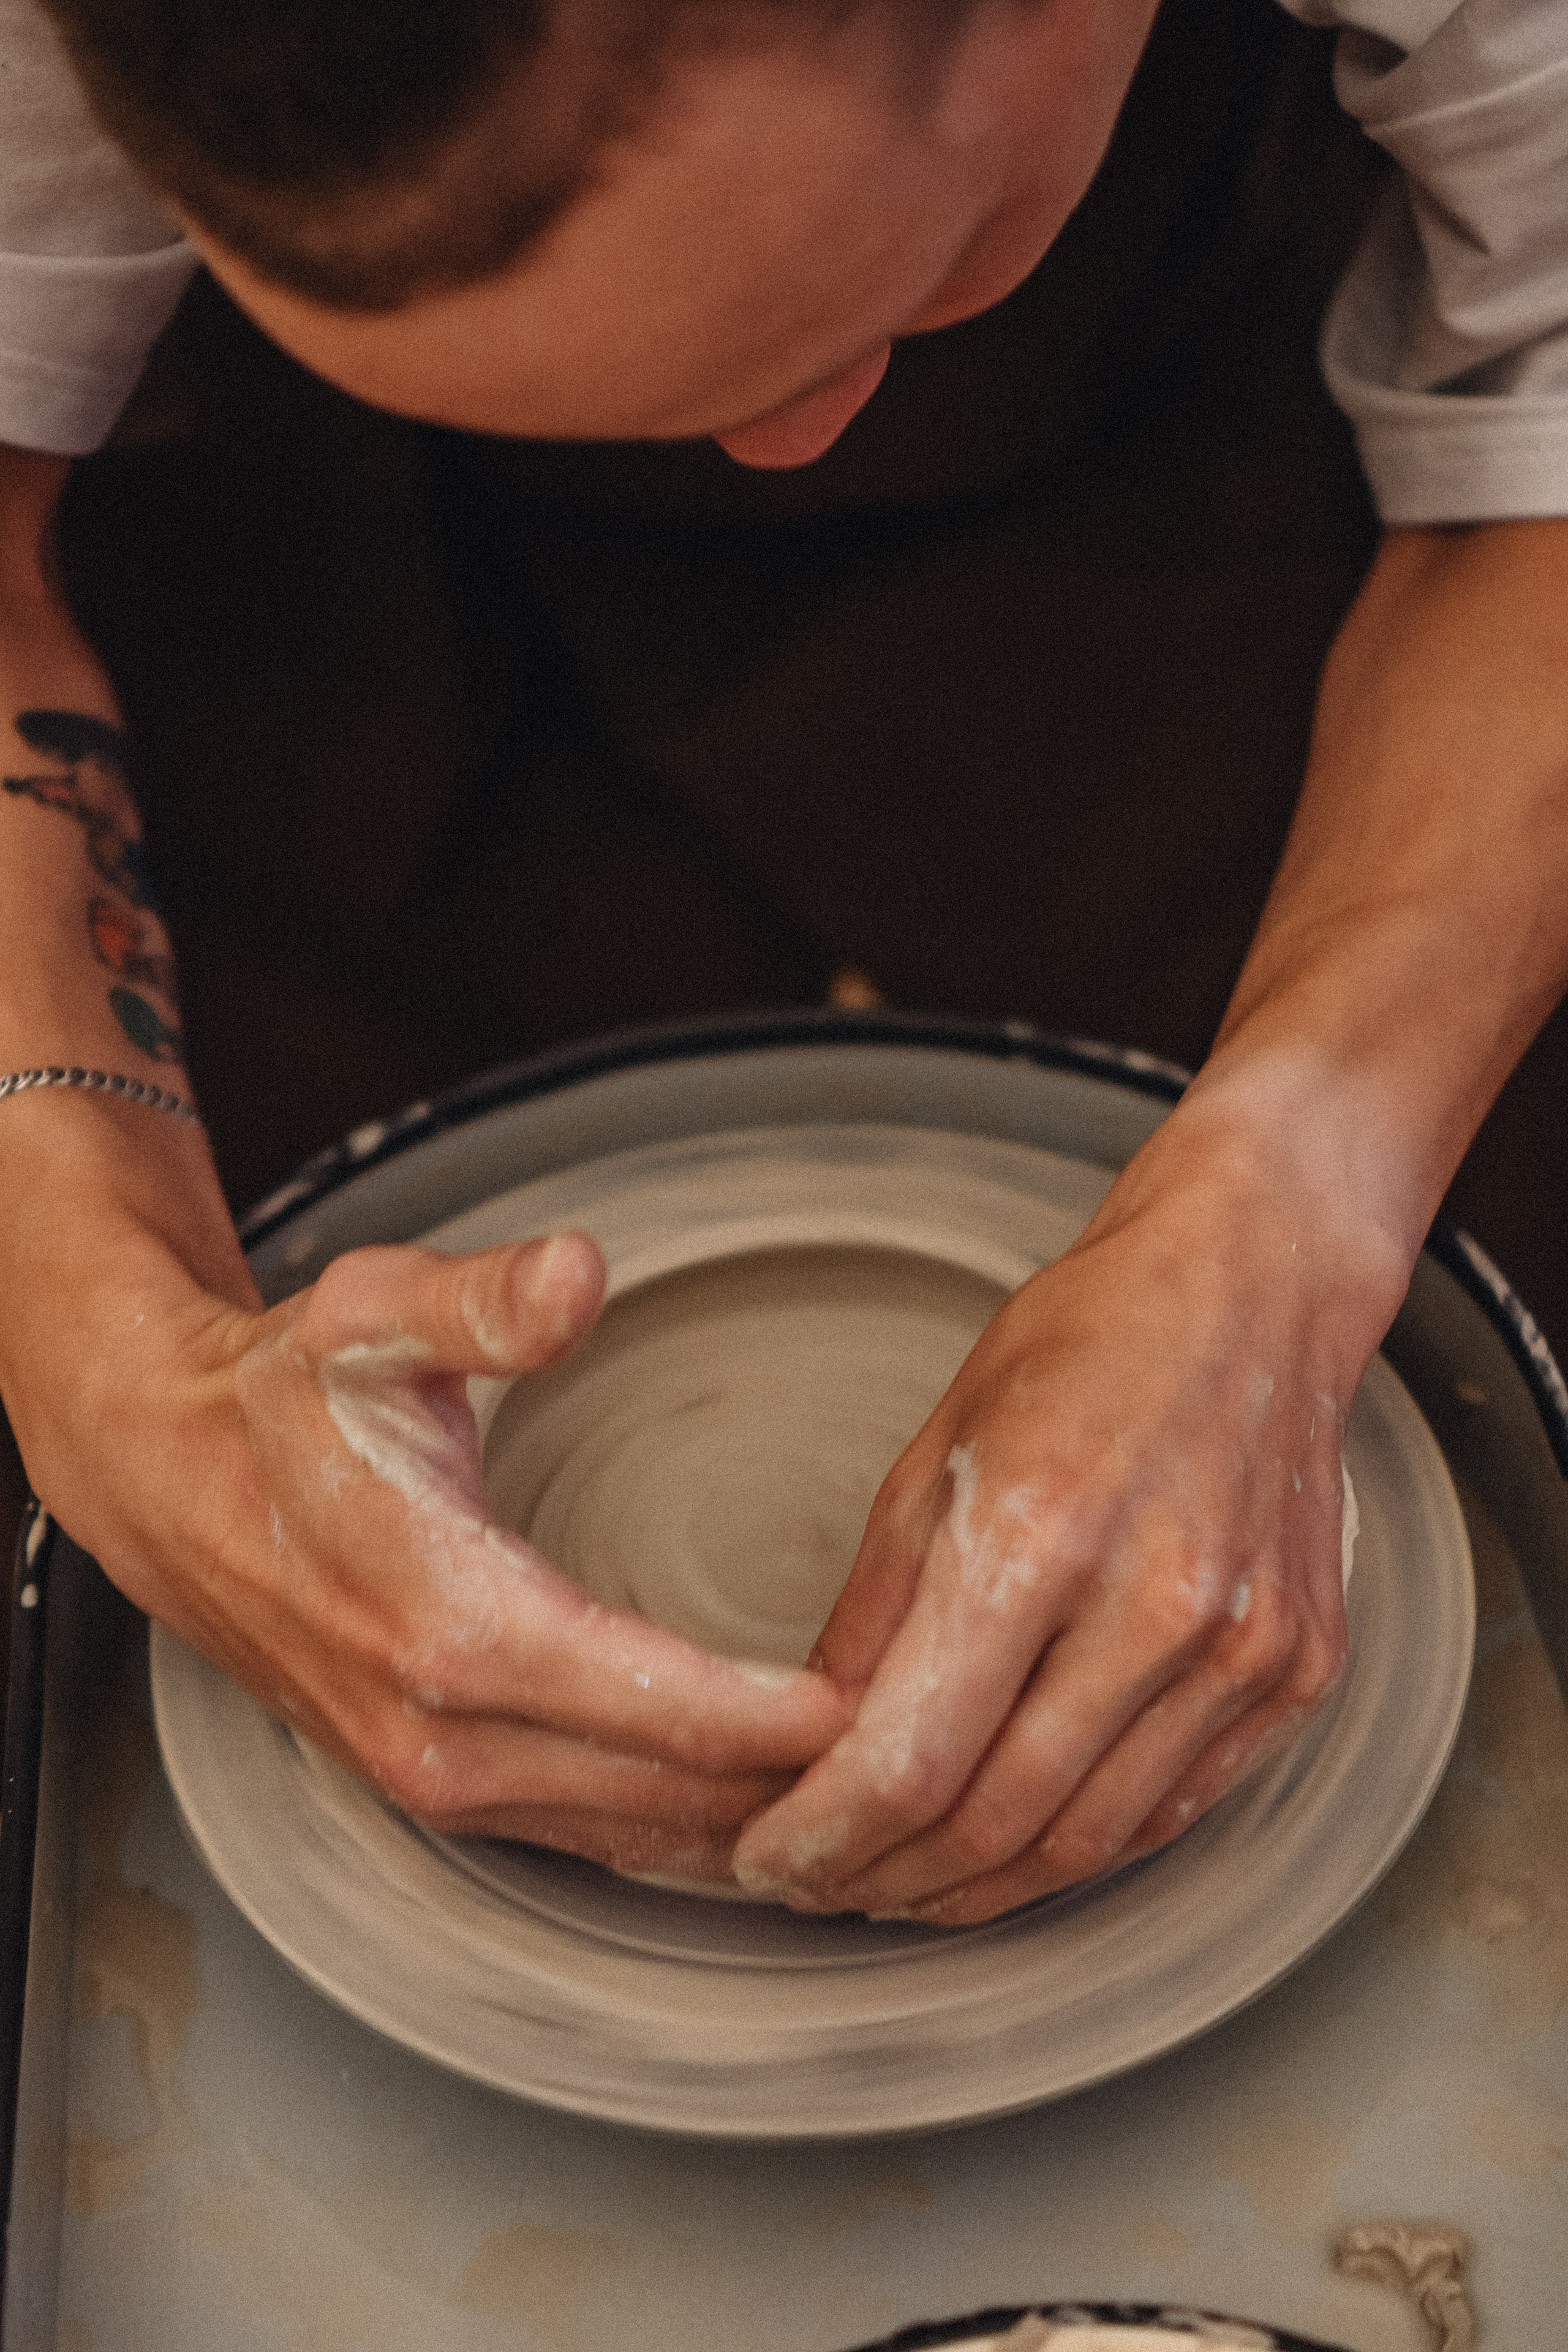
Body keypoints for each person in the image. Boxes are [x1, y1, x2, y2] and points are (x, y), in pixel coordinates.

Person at [0, 0, 1564, 1924]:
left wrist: (1293, 1207)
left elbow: (1546, 450)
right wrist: (94, 1335)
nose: (775, 452)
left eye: (863, 309)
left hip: (1164, 385)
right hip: (270, 488)